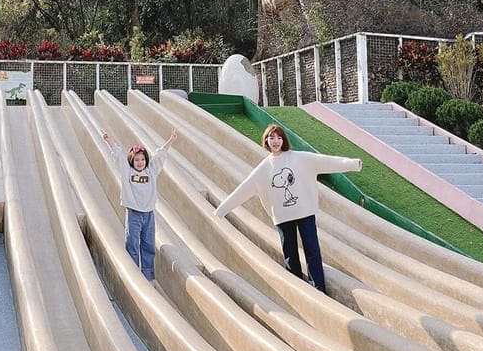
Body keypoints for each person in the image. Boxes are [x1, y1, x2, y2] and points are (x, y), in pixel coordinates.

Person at [213, 122, 362, 293]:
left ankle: (318, 289)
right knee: (290, 254)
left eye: (278, 138)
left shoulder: (300, 158)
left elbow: (326, 161)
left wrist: (352, 164)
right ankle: (297, 289)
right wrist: (221, 210)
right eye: (271, 138)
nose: (275, 141)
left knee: (312, 249)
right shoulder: (264, 168)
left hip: (304, 211)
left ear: (283, 140)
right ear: (266, 141)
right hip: (283, 216)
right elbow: (243, 190)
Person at [100, 126, 178, 281]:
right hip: (134, 214)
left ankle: (148, 275)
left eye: (142, 159)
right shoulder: (127, 172)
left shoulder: (151, 171)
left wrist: (171, 140)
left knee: (148, 245)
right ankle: (134, 275)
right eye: (136, 160)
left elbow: (160, 155)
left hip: (148, 214)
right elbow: (119, 155)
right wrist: (110, 141)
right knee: (132, 244)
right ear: (132, 161)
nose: (140, 162)